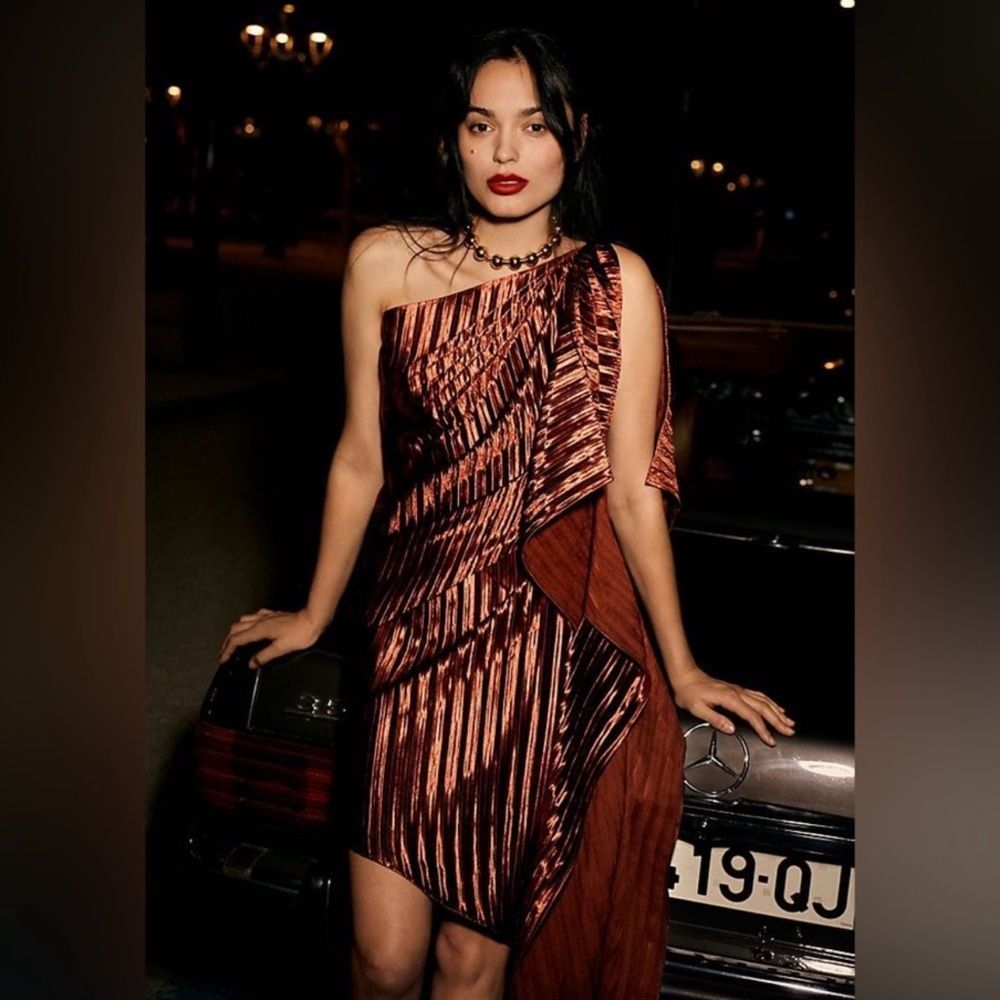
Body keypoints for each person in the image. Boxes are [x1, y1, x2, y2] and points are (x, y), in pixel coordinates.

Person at [218, 26, 795, 1000]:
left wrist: (682, 664)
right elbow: (359, 456)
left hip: (532, 653)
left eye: (533, 125)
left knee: (470, 961)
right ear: (452, 137)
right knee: (382, 959)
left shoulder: (618, 284)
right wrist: (316, 612)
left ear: (576, 135)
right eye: (480, 125)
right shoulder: (383, 264)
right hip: (408, 631)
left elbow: (633, 491)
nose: (504, 151)